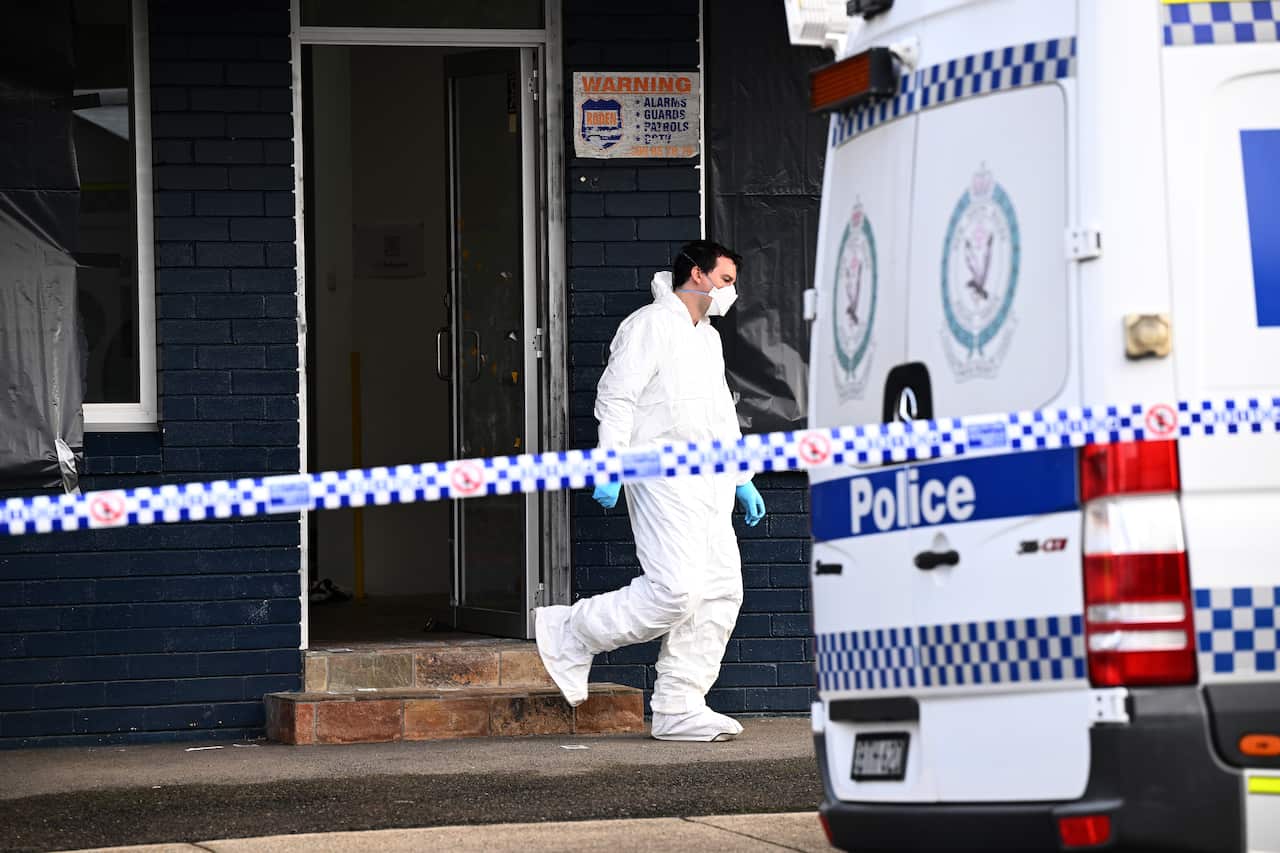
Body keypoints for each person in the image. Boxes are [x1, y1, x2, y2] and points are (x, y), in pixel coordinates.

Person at [534, 240, 766, 742]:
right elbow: (616, 397)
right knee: (676, 590)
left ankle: (680, 706)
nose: (732, 292)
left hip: (711, 479)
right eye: (726, 280)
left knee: (722, 592)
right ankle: (572, 630)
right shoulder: (648, 325)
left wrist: (742, 478)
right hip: (660, 474)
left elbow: (722, 414)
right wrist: (610, 465)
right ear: (698, 275)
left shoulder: (707, 337)